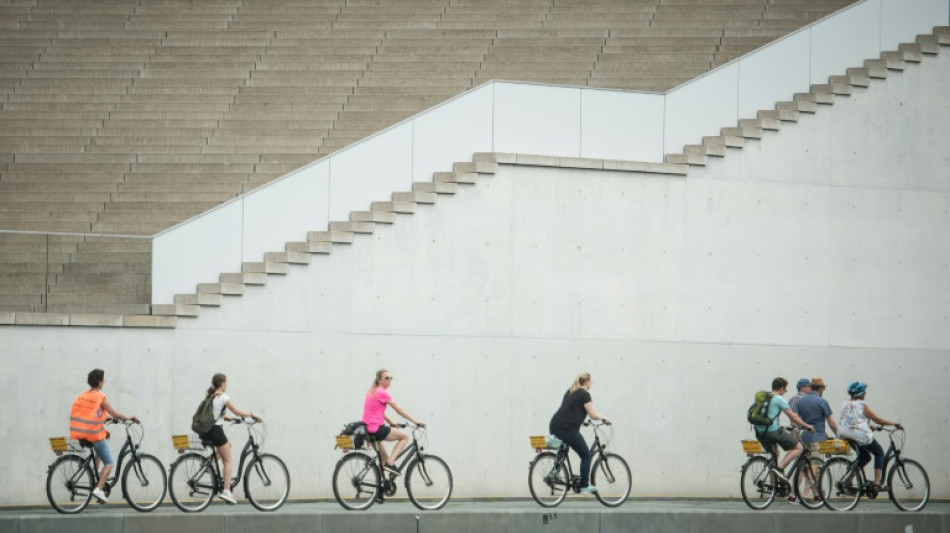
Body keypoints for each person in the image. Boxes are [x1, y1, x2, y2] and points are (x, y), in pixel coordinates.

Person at [69, 369, 137, 504]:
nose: (103, 382)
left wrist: (107, 419)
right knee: (110, 463)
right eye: (103, 380)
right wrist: (128, 418)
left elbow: (92, 413)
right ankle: (98, 490)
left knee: (104, 436)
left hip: (80, 433)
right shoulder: (99, 396)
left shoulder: (83, 396)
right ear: (100, 382)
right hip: (93, 434)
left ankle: (96, 473)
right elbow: (114, 412)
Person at [201, 373, 261, 504]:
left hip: (210, 430)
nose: (227, 385)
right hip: (216, 431)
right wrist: (252, 415)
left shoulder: (212, 396)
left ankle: (209, 463)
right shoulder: (223, 397)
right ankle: (226, 491)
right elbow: (237, 411)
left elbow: (214, 413)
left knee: (229, 445)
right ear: (222, 383)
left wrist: (225, 417)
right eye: (226, 382)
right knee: (228, 461)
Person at [548, 372, 609, 494]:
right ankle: (584, 485)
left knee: (564, 449)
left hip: (554, 425)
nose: (591, 383)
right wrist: (604, 418)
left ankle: (555, 472)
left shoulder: (570, 391)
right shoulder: (584, 394)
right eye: (591, 381)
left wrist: (581, 422)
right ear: (587, 381)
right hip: (567, 428)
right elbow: (593, 414)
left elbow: (568, 411)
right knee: (586, 455)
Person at [838, 381, 902, 490]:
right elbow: (878, 420)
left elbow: (853, 420)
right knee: (879, 452)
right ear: (861, 394)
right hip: (859, 436)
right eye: (864, 392)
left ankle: (849, 478)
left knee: (865, 457)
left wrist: (868, 425)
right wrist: (894, 424)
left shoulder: (845, 404)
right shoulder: (862, 405)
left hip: (845, 435)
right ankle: (877, 482)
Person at [753, 378, 814, 491]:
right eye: (785, 389)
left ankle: (775, 484)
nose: (785, 391)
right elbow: (793, 417)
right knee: (798, 448)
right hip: (772, 431)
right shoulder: (779, 399)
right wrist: (807, 426)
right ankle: (779, 468)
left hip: (760, 432)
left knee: (776, 452)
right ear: (781, 388)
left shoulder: (764, 398)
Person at [362, 369, 424, 477]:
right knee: (404, 437)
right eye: (386, 378)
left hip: (368, 429)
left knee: (383, 459)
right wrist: (415, 421)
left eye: (391, 378)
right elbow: (399, 409)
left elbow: (376, 411)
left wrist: (390, 421)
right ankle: (391, 463)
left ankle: (380, 488)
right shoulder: (382, 392)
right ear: (380, 380)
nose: (389, 380)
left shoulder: (372, 391)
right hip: (376, 429)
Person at [795, 377, 838, 503]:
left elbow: (796, 419)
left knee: (805, 465)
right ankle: (812, 490)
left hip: (804, 437)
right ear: (820, 389)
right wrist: (838, 435)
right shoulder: (822, 401)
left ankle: (811, 493)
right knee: (816, 464)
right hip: (818, 437)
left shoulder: (801, 402)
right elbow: (831, 422)